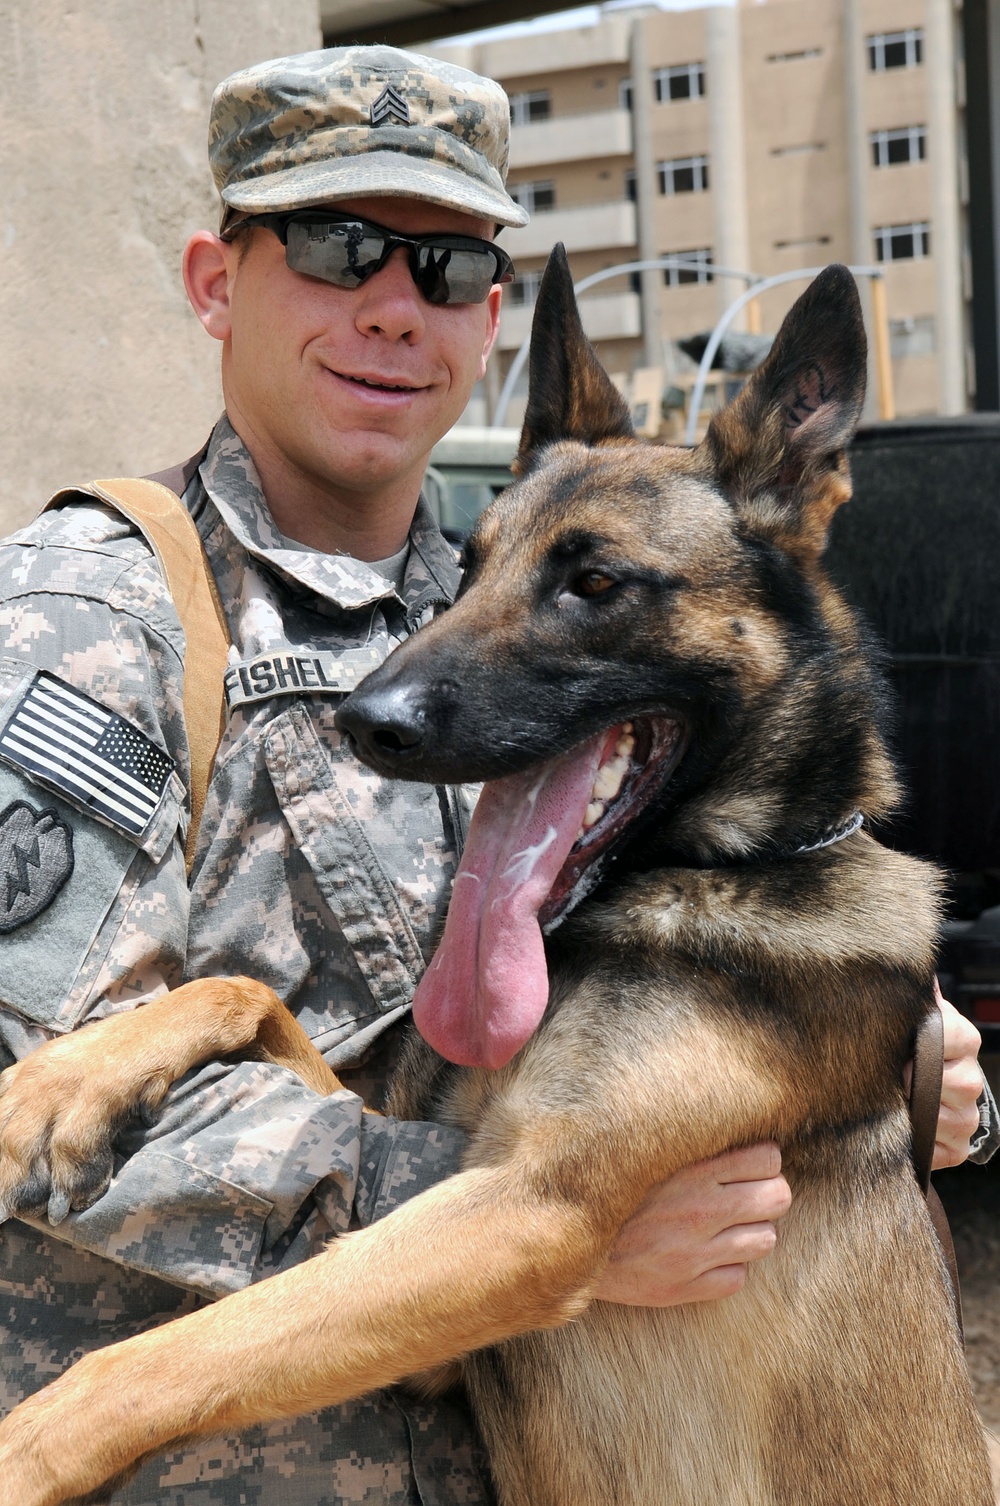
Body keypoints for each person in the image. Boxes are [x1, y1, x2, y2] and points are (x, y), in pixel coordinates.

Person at [0, 44, 993, 1506]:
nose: (396, 308)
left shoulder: (473, 609)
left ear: (485, 324)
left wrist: (894, 1057)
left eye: (449, 268)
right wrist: (564, 1217)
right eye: (337, 247)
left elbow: (501, 1054)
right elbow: (35, 1114)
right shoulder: (89, 614)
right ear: (218, 283)